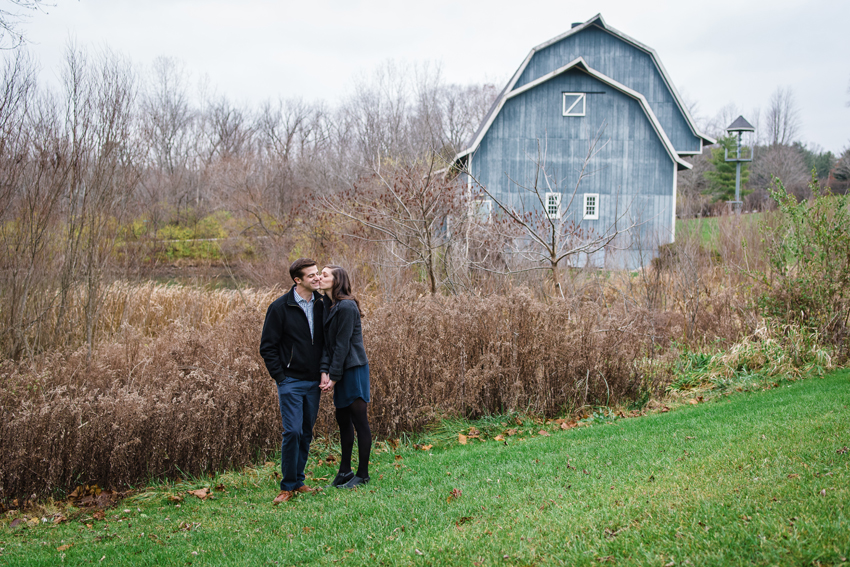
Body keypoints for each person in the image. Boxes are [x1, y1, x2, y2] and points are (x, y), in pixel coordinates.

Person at [259, 258, 326, 505]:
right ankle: (286, 487)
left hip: (314, 382)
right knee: (293, 431)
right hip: (291, 381)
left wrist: (324, 371)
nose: (317, 278)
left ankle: (298, 481)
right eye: (311, 276)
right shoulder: (279, 308)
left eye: (318, 274)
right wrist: (281, 376)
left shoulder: (322, 304)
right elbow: (267, 347)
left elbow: (326, 343)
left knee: (306, 432)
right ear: (298, 280)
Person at [318, 265, 372, 489]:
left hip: (353, 369)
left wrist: (334, 376)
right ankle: (345, 471)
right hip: (340, 370)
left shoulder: (347, 306)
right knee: (342, 420)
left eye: (324, 275)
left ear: (337, 280)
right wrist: (324, 371)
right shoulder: (329, 306)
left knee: (359, 421)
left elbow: (342, 345)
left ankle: (363, 474)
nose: (320, 278)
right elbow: (326, 345)